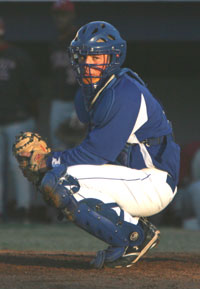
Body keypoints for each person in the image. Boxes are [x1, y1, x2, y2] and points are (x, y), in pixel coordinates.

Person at [16, 21, 180, 268]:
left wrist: (48, 161)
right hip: (136, 176)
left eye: (97, 56)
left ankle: (133, 237)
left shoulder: (124, 91)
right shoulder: (90, 93)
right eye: (84, 56)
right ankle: (133, 226)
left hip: (154, 180)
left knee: (60, 180)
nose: (88, 63)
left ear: (113, 57)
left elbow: (96, 153)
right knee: (55, 177)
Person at [0, 17, 39, 222]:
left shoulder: (18, 56)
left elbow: (33, 90)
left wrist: (32, 114)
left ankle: (24, 210)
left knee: (18, 167)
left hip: (17, 119)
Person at [48, 0, 84, 150]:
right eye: (57, 15)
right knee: (58, 148)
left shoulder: (81, 41)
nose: (59, 18)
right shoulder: (54, 42)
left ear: (72, 15)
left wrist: (83, 105)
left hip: (80, 101)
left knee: (82, 148)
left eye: (63, 14)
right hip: (59, 101)